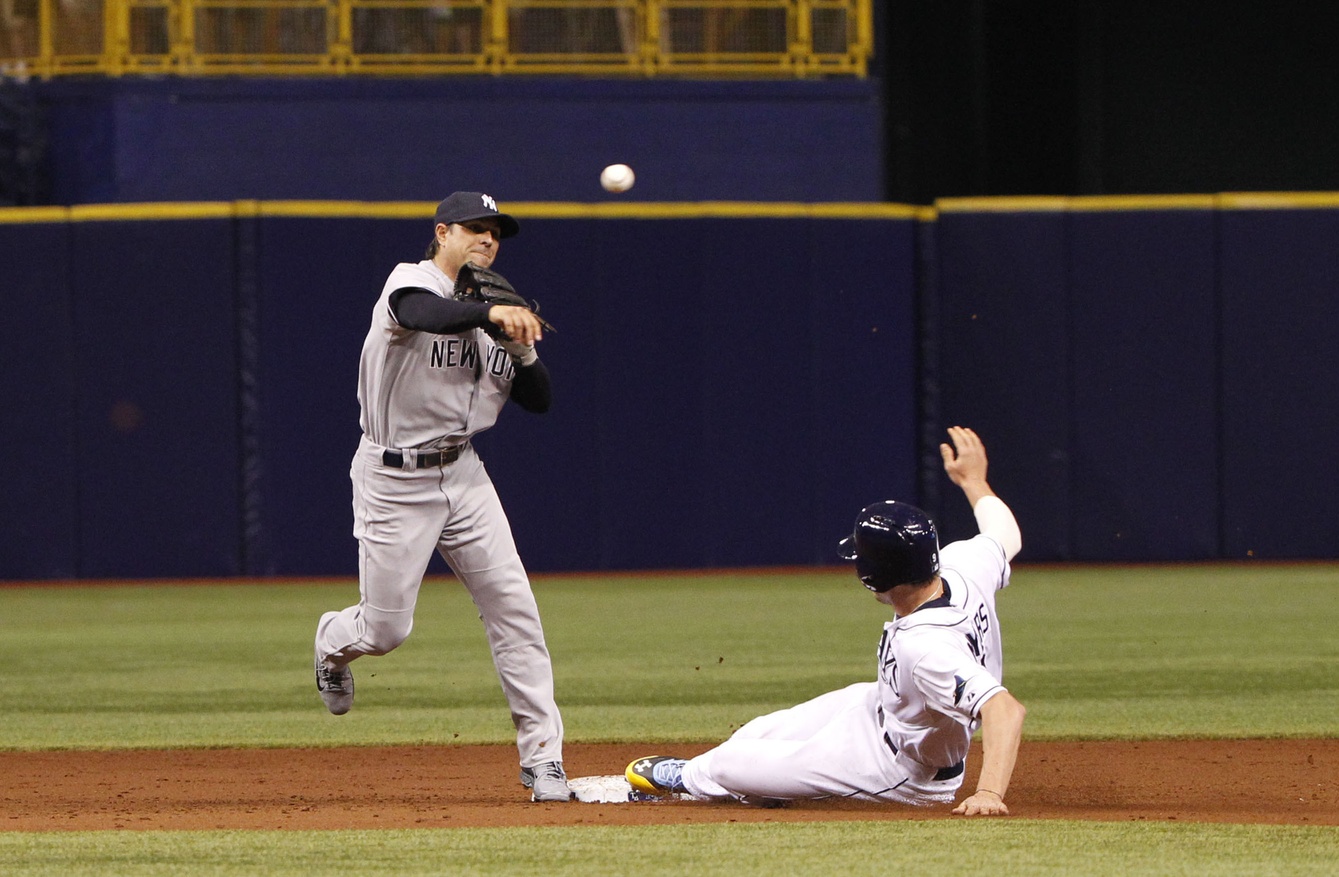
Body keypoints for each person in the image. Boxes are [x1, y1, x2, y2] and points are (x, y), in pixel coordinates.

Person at [314, 191, 572, 803]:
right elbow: (424, 312)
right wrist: (489, 317)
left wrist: (521, 343)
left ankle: (544, 760)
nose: (486, 239)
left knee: (516, 610)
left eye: (495, 232)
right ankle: (332, 643)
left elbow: (540, 400)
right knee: (384, 630)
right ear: (443, 232)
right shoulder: (412, 283)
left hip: (463, 473)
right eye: (474, 229)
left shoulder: (493, 313)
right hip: (393, 478)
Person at [626, 426, 1027, 816]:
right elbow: (1005, 532)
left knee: (726, 767)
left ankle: (698, 779)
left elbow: (1004, 709)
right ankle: (749, 782)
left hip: (903, 771)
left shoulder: (927, 648)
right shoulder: (963, 564)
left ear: (875, 575)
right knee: (758, 732)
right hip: (882, 708)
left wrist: (989, 793)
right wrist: (974, 481)